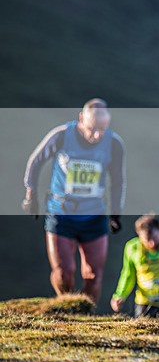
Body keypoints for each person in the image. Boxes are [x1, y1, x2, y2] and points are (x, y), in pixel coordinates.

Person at [22, 98, 126, 304]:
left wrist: (116, 213)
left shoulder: (114, 144)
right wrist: (30, 197)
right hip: (62, 212)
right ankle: (66, 305)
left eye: (102, 130)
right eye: (91, 129)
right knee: (64, 272)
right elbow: (35, 163)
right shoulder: (61, 136)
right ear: (81, 118)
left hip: (94, 213)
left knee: (94, 275)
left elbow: (118, 181)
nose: (96, 135)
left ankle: (86, 318)